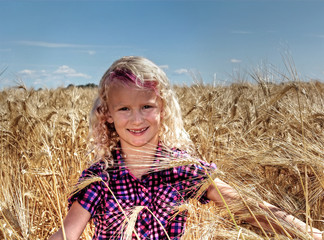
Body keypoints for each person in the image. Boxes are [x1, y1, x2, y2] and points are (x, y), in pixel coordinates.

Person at [49, 56, 323, 240]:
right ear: (107, 113)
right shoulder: (100, 179)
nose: (136, 119)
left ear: (163, 109)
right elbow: (67, 233)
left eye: (147, 106)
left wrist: (309, 233)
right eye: (124, 109)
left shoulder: (181, 169)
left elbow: (249, 207)